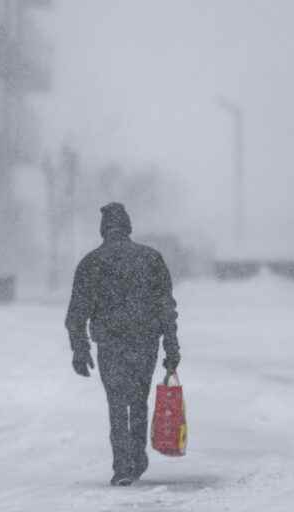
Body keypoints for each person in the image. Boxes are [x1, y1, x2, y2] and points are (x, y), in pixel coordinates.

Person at [65, 202, 180, 486]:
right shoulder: (151, 258)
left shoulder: (91, 262)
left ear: (103, 229)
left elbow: (76, 314)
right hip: (145, 342)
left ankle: (122, 466)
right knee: (139, 399)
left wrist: (80, 349)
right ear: (128, 227)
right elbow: (166, 306)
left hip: (110, 344)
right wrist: (172, 346)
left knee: (116, 403)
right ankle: (137, 458)